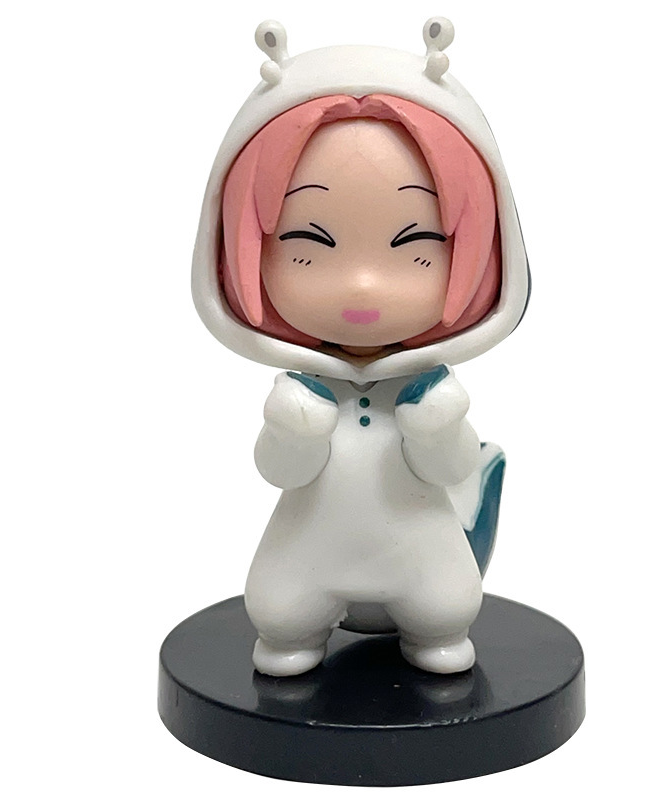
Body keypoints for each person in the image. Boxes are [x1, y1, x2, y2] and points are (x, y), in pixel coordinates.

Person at [191, 20, 530, 676]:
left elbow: (449, 465)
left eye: (416, 246)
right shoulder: (299, 389)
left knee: (444, 607)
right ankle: (292, 635)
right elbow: (280, 471)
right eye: (307, 246)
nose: (362, 287)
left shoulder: (430, 389)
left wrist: (440, 433)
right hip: (309, 547)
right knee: (281, 613)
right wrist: (291, 435)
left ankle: (434, 631)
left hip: (419, 543)